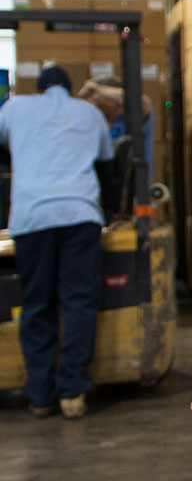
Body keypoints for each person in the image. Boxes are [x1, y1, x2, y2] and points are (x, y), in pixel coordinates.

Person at [0, 66, 114, 418]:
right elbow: (107, 168)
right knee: (78, 301)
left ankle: (39, 395)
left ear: (39, 88)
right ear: (70, 88)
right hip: (79, 214)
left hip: (32, 216)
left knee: (37, 303)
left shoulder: (15, 107)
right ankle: (72, 394)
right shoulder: (91, 112)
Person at [78, 76, 155, 184]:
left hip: (132, 193)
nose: (92, 104)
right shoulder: (94, 124)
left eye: (96, 99)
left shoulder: (133, 119)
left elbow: (143, 103)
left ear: (112, 100)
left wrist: (100, 91)